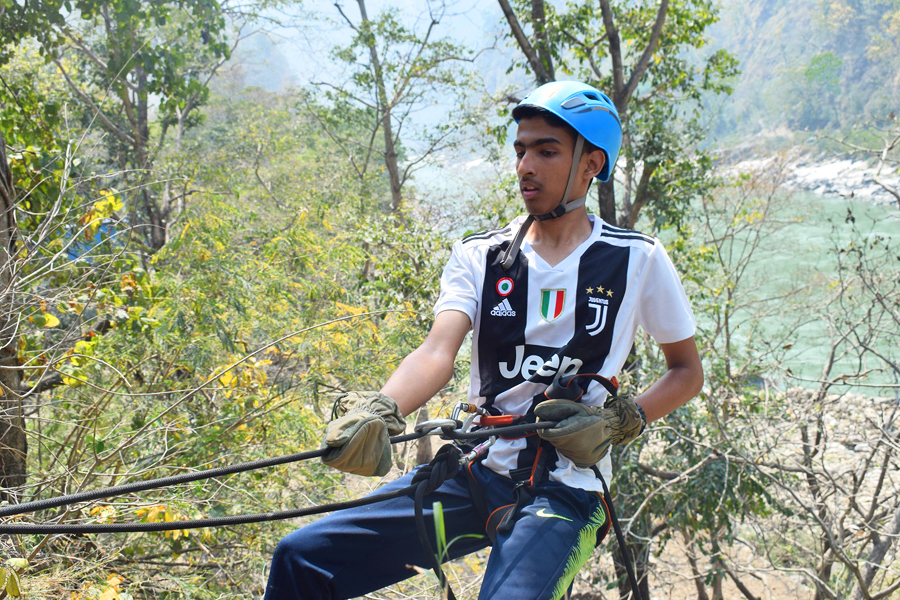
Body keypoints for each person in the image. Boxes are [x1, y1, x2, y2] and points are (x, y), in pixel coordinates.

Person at [264, 80, 703, 600]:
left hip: (568, 491)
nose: (525, 167)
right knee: (303, 560)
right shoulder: (482, 254)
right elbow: (436, 350)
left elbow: (686, 372)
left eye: (546, 151)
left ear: (592, 164)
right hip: (477, 470)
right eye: (520, 150)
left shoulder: (638, 258)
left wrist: (619, 420)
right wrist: (382, 409)